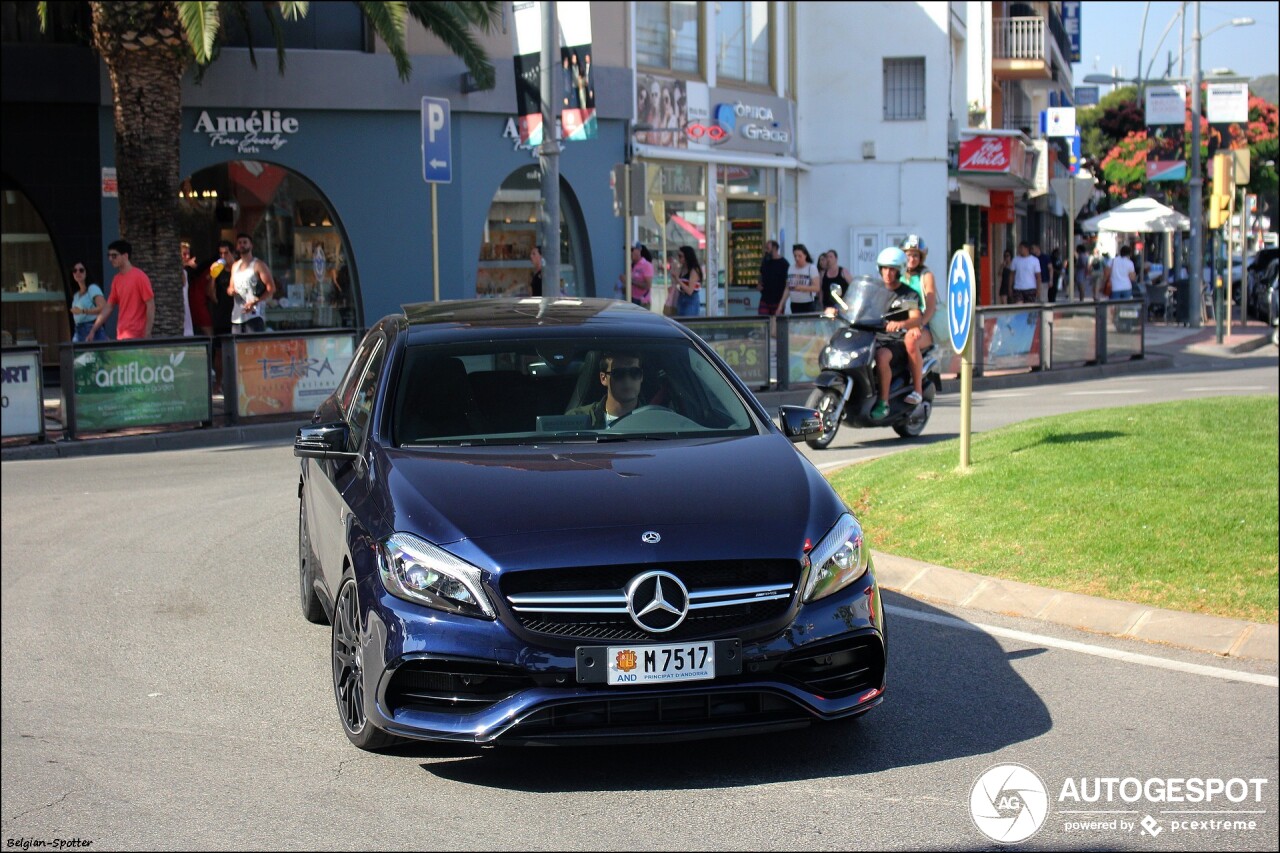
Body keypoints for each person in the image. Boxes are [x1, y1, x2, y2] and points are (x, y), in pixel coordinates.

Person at [870, 247, 922, 420]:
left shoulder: (908, 294)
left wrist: (900, 323)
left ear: (899, 270)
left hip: (895, 341)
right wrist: (838, 310)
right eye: (884, 268)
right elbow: (858, 307)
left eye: (892, 269)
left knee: (881, 356)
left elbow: (916, 318)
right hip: (873, 337)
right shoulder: (875, 291)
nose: (887, 273)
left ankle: (883, 402)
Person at [87, 239, 154, 340]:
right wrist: (93, 329)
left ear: (125, 256)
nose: (110, 259)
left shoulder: (140, 277)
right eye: (109, 256)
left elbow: (150, 305)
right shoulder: (116, 280)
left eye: (114, 255)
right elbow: (109, 307)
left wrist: (147, 332)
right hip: (121, 334)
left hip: (137, 335)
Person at [900, 235, 935, 405]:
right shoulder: (895, 273)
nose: (912, 259)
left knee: (911, 341)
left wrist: (920, 325)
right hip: (898, 323)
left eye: (916, 255)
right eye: (908, 254)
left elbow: (930, 306)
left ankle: (917, 391)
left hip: (922, 325)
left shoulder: (925, 275)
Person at [567, 351, 645, 427]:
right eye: (618, 373)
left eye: (635, 372)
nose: (627, 380)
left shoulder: (653, 420)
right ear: (603, 378)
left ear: (641, 377)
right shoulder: (575, 420)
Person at [229, 232, 276, 334]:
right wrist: (231, 291)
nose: (242, 245)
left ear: (251, 245)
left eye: (245, 242)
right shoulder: (235, 266)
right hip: (237, 316)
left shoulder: (258, 265)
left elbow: (271, 288)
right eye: (240, 243)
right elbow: (230, 288)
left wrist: (256, 302)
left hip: (254, 315)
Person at [69, 260, 107, 342]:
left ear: (86, 272)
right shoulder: (76, 295)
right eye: (75, 271)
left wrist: (83, 311)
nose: (78, 273)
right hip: (78, 330)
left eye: (81, 270)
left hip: (92, 328)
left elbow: (103, 307)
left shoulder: (92, 288)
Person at [181, 241, 213, 337]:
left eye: (188, 254)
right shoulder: (179, 271)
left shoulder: (186, 273)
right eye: (184, 254)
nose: (187, 257)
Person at [758, 239, 790, 317]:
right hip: (765, 298)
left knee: (776, 323)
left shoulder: (784, 264)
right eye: (765, 248)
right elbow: (761, 274)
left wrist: (783, 302)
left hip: (777, 299)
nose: (766, 251)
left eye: (768, 248)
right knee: (763, 319)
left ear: (775, 248)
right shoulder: (765, 261)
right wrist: (759, 284)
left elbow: (787, 282)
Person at [785, 244, 821, 314]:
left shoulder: (811, 268)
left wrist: (802, 288)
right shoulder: (791, 268)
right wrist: (781, 304)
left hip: (807, 303)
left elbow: (817, 288)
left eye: (799, 256)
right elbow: (787, 288)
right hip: (794, 303)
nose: (797, 258)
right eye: (795, 256)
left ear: (805, 255)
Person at [820, 249, 853, 317]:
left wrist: (850, 302)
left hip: (841, 307)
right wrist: (821, 303)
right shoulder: (823, 274)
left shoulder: (843, 271)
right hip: (828, 307)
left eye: (831, 257)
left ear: (836, 258)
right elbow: (821, 290)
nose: (829, 259)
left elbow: (852, 286)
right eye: (827, 257)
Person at [619, 242, 654, 307]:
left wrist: (630, 281)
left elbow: (647, 285)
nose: (629, 253)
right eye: (627, 251)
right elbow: (630, 286)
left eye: (632, 250)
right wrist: (622, 286)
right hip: (632, 299)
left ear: (639, 250)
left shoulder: (646, 265)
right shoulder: (631, 266)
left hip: (643, 302)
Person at [674, 245, 703, 316]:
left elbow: (690, 291)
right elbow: (675, 281)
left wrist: (678, 280)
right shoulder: (682, 268)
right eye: (678, 256)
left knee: (688, 321)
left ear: (687, 257)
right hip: (681, 297)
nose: (679, 258)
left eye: (680, 256)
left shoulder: (694, 270)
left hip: (691, 299)